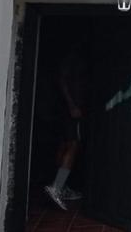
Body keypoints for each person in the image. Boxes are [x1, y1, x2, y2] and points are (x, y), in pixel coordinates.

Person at [45, 50, 87, 210]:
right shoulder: (71, 58)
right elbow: (62, 81)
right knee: (73, 145)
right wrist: (72, 105)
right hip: (69, 110)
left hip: (67, 109)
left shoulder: (77, 58)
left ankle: (61, 185)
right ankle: (57, 186)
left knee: (64, 145)